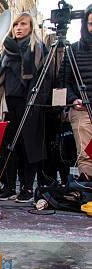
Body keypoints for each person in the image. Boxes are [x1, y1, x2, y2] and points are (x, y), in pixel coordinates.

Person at [0, 13, 48, 203]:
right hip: (7, 103)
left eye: (23, 24)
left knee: (29, 145)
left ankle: (27, 187)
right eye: (16, 24)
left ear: (30, 26)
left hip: (30, 102)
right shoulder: (4, 50)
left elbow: (43, 77)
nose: (19, 28)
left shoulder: (37, 48)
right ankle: (9, 185)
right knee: (8, 146)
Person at [64, 4, 92, 181]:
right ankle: (89, 191)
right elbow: (63, 82)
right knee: (86, 154)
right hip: (82, 109)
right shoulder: (73, 50)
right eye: (90, 23)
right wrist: (73, 99)